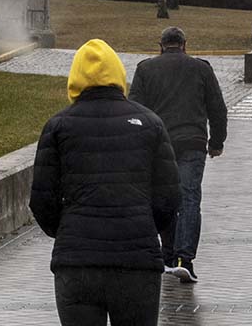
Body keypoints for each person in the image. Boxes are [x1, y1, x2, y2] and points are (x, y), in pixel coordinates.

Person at [31, 39, 181, 326]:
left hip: (77, 263)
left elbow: (41, 199)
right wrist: (145, 226)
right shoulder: (150, 123)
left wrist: (67, 230)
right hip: (137, 262)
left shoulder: (58, 127)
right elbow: (169, 197)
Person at [129, 26, 228, 284]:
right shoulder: (201, 68)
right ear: (185, 44)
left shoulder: (145, 69)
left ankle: (168, 256)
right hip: (193, 143)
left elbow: (135, 110)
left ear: (160, 45)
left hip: (159, 145)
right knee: (189, 198)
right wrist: (216, 142)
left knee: (163, 198)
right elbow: (217, 108)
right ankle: (185, 259)